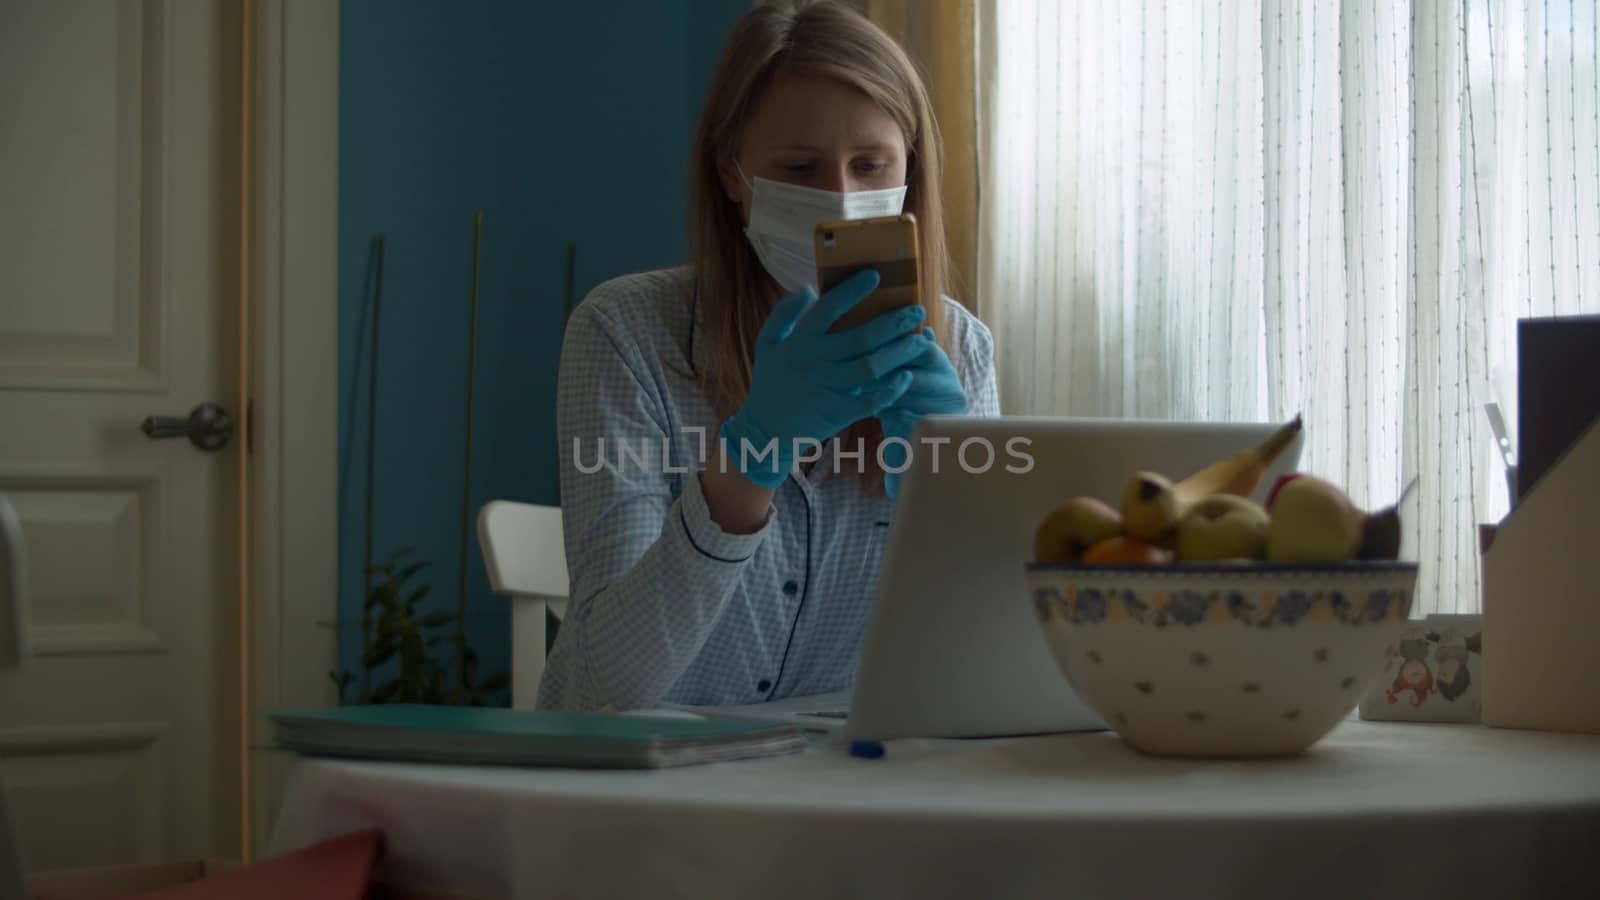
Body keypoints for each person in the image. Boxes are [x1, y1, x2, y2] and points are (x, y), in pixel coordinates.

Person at [538, 0, 999, 712]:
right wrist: (747, 463)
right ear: (732, 175)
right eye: (800, 166)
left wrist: (949, 493)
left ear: (909, 168)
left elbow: (985, 669)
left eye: (870, 164)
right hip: (655, 787)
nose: (841, 199)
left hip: (850, 783)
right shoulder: (625, 331)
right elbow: (603, 691)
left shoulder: (959, 347)